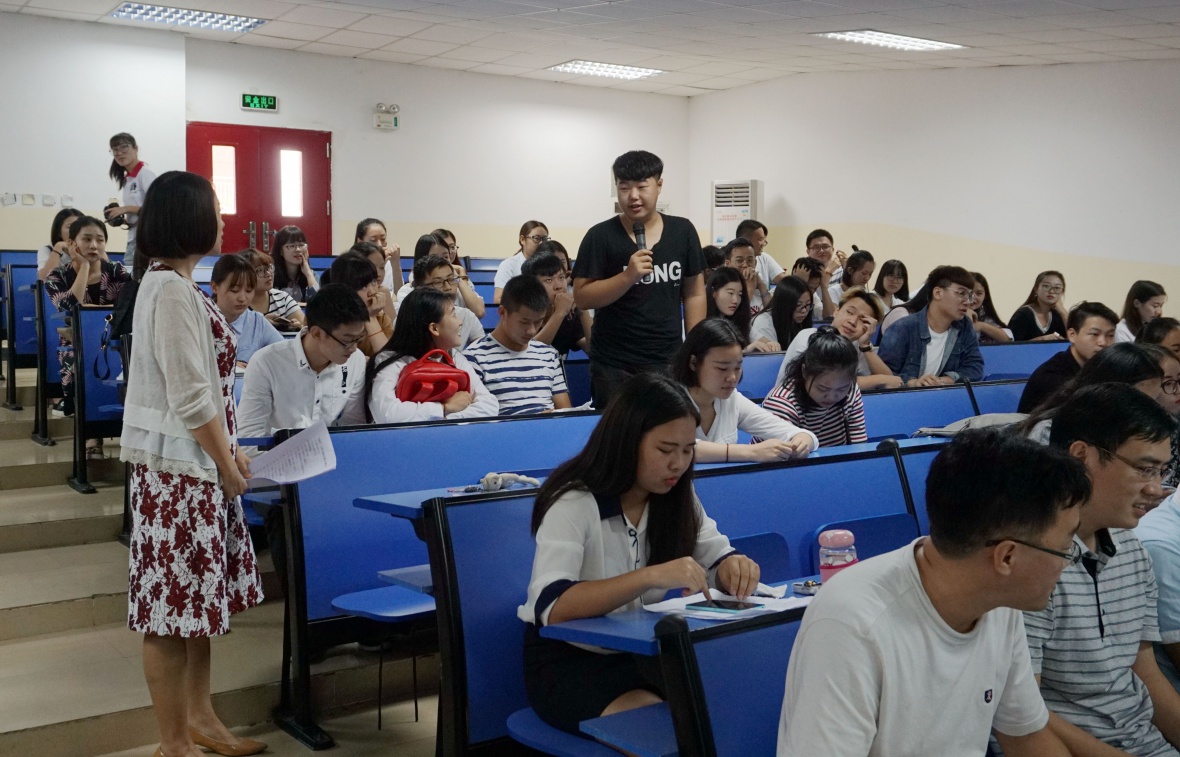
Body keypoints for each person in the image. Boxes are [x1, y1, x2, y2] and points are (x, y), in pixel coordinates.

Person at [780, 427, 1088, 756]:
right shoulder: (852, 623)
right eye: (1065, 549)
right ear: (1007, 557)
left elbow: (1026, 736)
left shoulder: (999, 602)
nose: (1069, 563)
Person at [518, 372, 761, 734]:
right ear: (627, 441)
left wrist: (733, 568)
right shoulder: (574, 500)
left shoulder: (675, 494)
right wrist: (649, 576)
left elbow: (715, 556)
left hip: (645, 654)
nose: (678, 463)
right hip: (572, 662)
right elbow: (552, 607)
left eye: (688, 450)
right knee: (670, 733)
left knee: (735, 711)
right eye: (665, 450)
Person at [119, 171, 265, 757]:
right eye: (215, 210)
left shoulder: (180, 284)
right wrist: (226, 461)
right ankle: (173, 742)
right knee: (168, 612)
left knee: (196, 605)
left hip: (194, 466)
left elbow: (206, 390)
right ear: (189, 219)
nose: (223, 220)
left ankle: (201, 718)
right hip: (178, 475)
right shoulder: (170, 289)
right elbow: (189, 394)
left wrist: (230, 451)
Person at [1027, 383, 1180, 756]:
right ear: (1082, 456)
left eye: (1162, 472)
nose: (1156, 488)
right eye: (1144, 469)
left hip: (1145, 742)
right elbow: (1021, 711)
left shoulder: (1131, 549)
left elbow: (1145, 673)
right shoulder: (1029, 563)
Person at [573, 150, 706, 408]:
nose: (633, 196)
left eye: (642, 187)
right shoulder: (600, 236)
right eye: (624, 188)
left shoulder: (683, 231)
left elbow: (694, 293)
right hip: (613, 364)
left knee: (667, 427)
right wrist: (627, 276)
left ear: (659, 185)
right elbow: (582, 296)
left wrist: (695, 346)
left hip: (668, 358)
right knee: (618, 431)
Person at [670, 318, 815, 463]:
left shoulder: (732, 400)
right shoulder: (669, 399)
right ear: (694, 363)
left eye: (737, 368)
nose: (732, 377)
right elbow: (679, 448)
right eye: (722, 368)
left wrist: (802, 440)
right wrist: (750, 452)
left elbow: (795, 433)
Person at [237, 283, 369, 441]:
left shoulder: (356, 361)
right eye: (347, 341)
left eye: (359, 338)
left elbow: (353, 428)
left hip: (330, 452)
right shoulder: (266, 363)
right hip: (277, 453)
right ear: (317, 333)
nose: (354, 348)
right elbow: (249, 438)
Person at [44, 216, 132, 443]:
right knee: (80, 362)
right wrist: (83, 266)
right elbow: (69, 307)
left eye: (100, 240)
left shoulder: (116, 270)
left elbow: (129, 307)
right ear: (72, 243)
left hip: (115, 342)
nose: (94, 245)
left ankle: (118, 436)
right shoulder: (57, 276)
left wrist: (90, 310)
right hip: (77, 345)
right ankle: (92, 437)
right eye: (87, 239)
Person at [366, 287, 497, 423]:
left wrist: (443, 418)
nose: (460, 322)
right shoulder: (389, 361)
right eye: (453, 314)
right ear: (434, 328)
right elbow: (387, 415)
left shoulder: (454, 357)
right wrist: (444, 408)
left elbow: (489, 405)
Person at [463, 276, 571, 416]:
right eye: (524, 322)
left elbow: (566, 412)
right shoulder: (474, 358)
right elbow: (475, 419)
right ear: (502, 312)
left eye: (538, 322)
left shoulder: (548, 354)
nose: (532, 331)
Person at [1021, 342, 1167, 445]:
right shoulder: (1050, 432)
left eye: (1154, 400)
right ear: (1107, 392)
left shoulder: (1129, 430)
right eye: (1142, 402)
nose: (1150, 411)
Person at [775, 288, 901, 391]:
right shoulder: (809, 336)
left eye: (863, 320)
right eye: (850, 312)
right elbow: (824, 382)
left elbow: (892, 383)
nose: (853, 321)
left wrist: (865, 346)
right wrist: (878, 380)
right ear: (836, 312)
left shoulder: (859, 345)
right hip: (791, 407)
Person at [879, 265, 984, 386]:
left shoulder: (964, 326)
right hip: (906, 396)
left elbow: (975, 368)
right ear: (938, 293)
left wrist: (943, 380)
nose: (968, 302)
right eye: (961, 293)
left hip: (945, 395)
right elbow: (884, 375)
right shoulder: (903, 328)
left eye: (969, 296)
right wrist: (913, 382)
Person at [762, 328, 868, 447]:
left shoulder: (851, 390)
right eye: (823, 388)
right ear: (804, 372)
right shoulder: (781, 403)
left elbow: (859, 446)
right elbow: (775, 455)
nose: (831, 397)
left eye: (841, 389)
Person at [1018, 301, 1118, 414]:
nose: (1103, 342)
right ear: (1072, 335)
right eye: (1094, 334)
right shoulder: (1051, 376)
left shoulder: (1104, 369)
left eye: (1110, 335)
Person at [209, 254, 282, 366]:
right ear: (214, 287)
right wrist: (227, 366)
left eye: (249, 290)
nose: (242, 298)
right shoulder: (199, 319)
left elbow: (285, 354)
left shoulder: (257, 322)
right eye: (234, 290)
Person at [522, 249, 592, 357]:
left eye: (561, 277)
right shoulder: (522, 314)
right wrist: (559, 313)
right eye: (548, 280)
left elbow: (593, 350)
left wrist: (583, 310)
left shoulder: (569, 315)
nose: (559, 286)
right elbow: (530, 354)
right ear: (532, 286)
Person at [105, 132, 157, 278]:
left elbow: (157, 208)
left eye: (124, 147)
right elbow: (140, 211)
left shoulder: (145, 174)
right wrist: (122, 220)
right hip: (134, 236)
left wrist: (125, 209)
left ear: (135, 148)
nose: (119, 153)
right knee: (132, 275)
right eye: (115, 150)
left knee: (139, 277)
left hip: (146, 238)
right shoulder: (127, 179)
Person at [327, 251, 393, 358]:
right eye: (363, 286)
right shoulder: (327, 318)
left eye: (374, 282)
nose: (372, 292)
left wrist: (370, 317)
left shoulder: (381, 319)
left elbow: (387, 360)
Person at [412, 254, 484, 347]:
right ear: (420, 288)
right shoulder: (408, 318)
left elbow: (483, 349)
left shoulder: (466, 316)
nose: (447, 287)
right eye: (437, 282)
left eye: (451, 279)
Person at [706, 267, 773, 351]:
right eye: (730, 293)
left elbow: (766, 343)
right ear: (714, 292)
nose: (735, 300)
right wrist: (746, 350)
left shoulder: (740, 322)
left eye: (739, 294)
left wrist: (772, 345)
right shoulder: (701, 322)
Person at [239, 248, 305, 330]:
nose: (268, 274)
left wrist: (299, 327)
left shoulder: (282, 297)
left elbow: (306, 326)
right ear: (244, 276)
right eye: (260, 270)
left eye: (269, 268)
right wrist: (260, 324)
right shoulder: (238, 302)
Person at [750, 275, 811, 350]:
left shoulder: (798, 320)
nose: (804, 311)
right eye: (798, 305)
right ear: (784, 304)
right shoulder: (764, 323)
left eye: (808, 304)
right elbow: (773, 355)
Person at [495, 220, 549, 302]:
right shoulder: (508, 265)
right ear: (522, 239)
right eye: (536, 238)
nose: (541, 243)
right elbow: (498, 299)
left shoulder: (549, 264)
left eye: (544, 239)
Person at [1008, 271, 1068, 342]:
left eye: (1057, 288)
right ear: (1036, 289)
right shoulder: (1023, 314)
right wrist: (1041, 339)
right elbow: (1011, 345)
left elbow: (1074, 340)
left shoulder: (1058, 315)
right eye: (1046, 286)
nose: (1052, 291)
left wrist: (1063, 311)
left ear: (1062, 292)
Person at [722, 237, 770, 315]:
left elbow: (772, 313)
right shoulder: (723, 288)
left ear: (755, 262)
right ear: (728, 263)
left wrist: (761, 285)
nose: (745, 265)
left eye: (750, 260)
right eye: (739, 261)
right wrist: (750, 289)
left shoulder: (757, 283)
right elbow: (736, 316)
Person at [804, 229, 844, 320]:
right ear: (808, 251)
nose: (821, 251)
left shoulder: (842, 272)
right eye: (816, 247)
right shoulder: (804, 272)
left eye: (825, 247)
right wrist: (828, 273)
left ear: (833, 249)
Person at [736, 219, 787, 289]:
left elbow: (784, 281)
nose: (763, 243)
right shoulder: (732, 260)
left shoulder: (764, 257)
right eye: (760, 239)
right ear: (746, 240)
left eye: (764, 240)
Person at [272, 225, 319, 302]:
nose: (298, 250)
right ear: (280, 250)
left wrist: (308, 273)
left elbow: (318, 301)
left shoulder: (312, 275)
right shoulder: (271, 276)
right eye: (292, 246)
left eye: (301, 245)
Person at [355, 217, 402, 290]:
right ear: (360, 242)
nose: (379, 245)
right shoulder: (351, 265)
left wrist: (395, 264)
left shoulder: (388, 262)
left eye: (383, 239)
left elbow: (399, 293)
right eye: (373, 240)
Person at [37, 207, 83, 280]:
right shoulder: (47, 250)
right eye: (70, 226)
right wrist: (57, 248)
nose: (75, 230)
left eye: (79, 227)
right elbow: (45, 278)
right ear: (59, 232)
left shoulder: (90, 248)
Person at [969, 271, 1011, 345]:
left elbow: (1007, 340)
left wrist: (981, 326)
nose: (974, 297)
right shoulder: (954, 316)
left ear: (985, 296)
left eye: (979, 293)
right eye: (970, 293)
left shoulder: (987, 317)